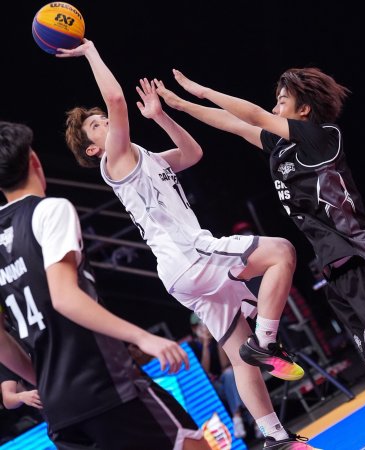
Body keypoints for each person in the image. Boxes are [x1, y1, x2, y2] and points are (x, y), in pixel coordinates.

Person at [153, 68, 365, 449]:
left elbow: (253, 115)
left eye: (282, 100)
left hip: (363, 257)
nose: (275, 106)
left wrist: (201, 89)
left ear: (304, 109)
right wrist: (180, 105)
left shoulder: (322, 137)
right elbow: (234, 124)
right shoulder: (281, 148)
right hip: (334, 268)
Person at [59, 39, 317, 450]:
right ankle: (267, 343)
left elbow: (192, 153)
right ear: (93, 149)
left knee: (238, 353)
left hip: (181, 272)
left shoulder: (143, 157)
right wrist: (90, 51)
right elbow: (116, 100)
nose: (105, 121)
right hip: (191, 255)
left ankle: (276, 438)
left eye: (102, 119)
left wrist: (161, 116)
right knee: (281, 252)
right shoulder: (115, 161)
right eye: (96, 125)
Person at [0, 120, 210, 450]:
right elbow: (64, 297)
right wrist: (143, 337)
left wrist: (42, 380)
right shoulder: (49, 210)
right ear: (34, 160)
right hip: (105, 383)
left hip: (60, 410)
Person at [189, 313, 252, 440]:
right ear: (194, 329)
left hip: (228, 383)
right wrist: (205, 345)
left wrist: (219, 340)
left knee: (230, 374)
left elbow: (225, 365)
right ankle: (253, 422)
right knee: (237, 387)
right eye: (199, 326)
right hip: (211, 387)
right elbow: (204, 373)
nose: (204, 328)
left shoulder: (217, 339)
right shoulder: (193, 346)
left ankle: (237, 417)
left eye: (205, 323)